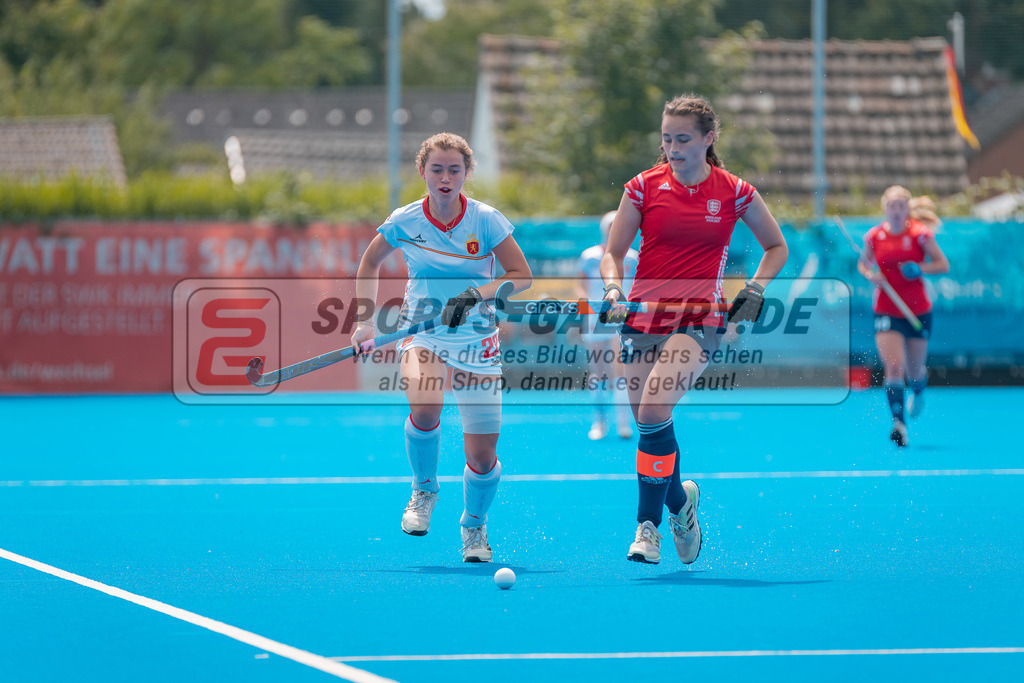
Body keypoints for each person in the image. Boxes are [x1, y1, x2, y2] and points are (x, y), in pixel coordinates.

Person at [600, 93, 788, 565]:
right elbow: (613, 253)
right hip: (643, 318)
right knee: (649, 422)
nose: (674, 148)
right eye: (667, 139)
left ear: (708, 139)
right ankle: (682, 507)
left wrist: (757, 289)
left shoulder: (735, 191)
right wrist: (613, 291)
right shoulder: (642, 186)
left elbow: (776, 246)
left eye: (683, 139)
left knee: (655, 404)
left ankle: (648, 528)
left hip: (699, 317)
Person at [351, 132, 532, 562]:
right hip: (422, 332)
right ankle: (424, 490)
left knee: (483, 457)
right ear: (423, 172)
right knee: (426, 403)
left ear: (466, 173)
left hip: (477, 341)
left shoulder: (486, 220)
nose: (446, 177)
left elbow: (521, 275)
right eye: (437, 169)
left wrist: (477, 294)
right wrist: (362, 320)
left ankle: (473, 527)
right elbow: (369, 262)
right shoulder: (405, 220)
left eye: (454, 169)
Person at [857, 187, 949, 447]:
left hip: (917, 310)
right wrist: (870, 275)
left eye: (901, 206)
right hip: (887, 309)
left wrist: (920, 268)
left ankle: (919, 389)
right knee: (895, 366)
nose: (896, 211)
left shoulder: (920, 235)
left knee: (914, 370)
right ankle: (899, 424)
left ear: (907, 209)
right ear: (886, 208)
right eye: (892, 206)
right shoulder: (875, 236)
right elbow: (863, 264)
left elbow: (943, 264)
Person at [576, 210, 639, 441]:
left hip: (623, 320)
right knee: (598, 373)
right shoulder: (590, 255)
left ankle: (624, 423)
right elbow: (581, 286)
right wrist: (584, 303)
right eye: (611, 227)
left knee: (620, 372)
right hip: (594, 320)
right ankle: (599, 423)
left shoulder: (633, 257)